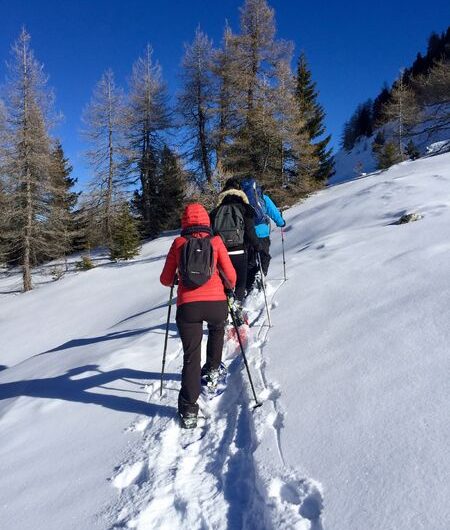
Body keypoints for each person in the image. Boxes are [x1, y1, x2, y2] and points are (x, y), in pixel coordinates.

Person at [160, 203, 236, 429]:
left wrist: (178, 279)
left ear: (185, 222)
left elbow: (165, 279)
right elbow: (231, 276)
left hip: (188, 307)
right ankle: (212, 369)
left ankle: (188, 409)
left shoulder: (179, 243)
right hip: (216, 303)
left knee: (191, 356)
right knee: (217, 329)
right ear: (206, 221)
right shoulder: (216, 242)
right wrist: (224, 287)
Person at [210, 178, 261, 319]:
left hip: (222, 254)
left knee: (225, 283)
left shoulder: (215, 212)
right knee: (240, 283)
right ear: (239, 191)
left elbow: (211, 235)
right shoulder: (245, 208)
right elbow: (250, 232)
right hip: (240, 251)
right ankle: (236, 309)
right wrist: (257, 246)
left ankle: (226, 310)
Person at [245, 184, 286, 293]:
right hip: (263, 233)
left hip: (248, 235)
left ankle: (249, 286)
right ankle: (262, 273)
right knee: (265, 256)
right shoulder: (263, 198)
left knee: (251, 261)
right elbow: (273, 212)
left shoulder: (243, 199)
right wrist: (281, 222)